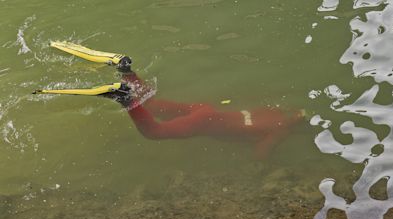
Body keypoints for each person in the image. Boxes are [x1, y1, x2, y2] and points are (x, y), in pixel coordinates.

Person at [35, 42, 306, 158]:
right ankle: (123, 97)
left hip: (206, 111)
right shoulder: (281, 128)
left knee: (151, 102)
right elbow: (261, 154)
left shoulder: (270, 110)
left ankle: (125, 68)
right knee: (155, 131)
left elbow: (247, 115)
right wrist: (266, 162)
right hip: (207, 123)